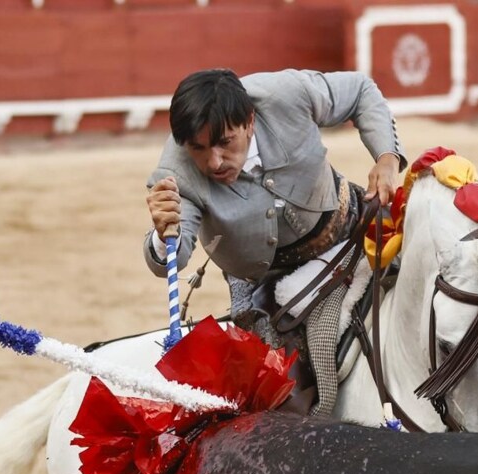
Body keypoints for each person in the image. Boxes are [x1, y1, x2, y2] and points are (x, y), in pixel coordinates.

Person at [144, 68, 406, 413]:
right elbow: (176, 255)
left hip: (353, 225)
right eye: (198, 148)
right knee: (282, 399)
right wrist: (164, 237)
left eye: (225, 142)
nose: (214, 161)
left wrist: (386, 158)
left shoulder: (287, 94)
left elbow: (359, 91)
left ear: (249, 122)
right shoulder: (175, 175)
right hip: (265, 284)